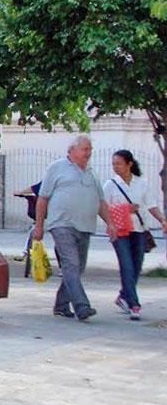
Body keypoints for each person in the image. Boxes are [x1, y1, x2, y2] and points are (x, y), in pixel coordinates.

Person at [33, 135, 117, 321]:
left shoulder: (91, 172)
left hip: (85, 226)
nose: (89, 153)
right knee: (71, 264)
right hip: (62, 224)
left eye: (90, 149)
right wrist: (39, 226)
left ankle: (61, 305)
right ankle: (82, 306)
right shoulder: (57, 168)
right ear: (72, 150)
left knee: (78, 268)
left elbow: (101, 201)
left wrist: (110, 223)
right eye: (85, 149)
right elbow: (43, 197)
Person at [103, 149, 167, 321]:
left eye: (119, 163)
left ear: (129, 164)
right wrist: (124, 210)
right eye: (113, 164)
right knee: (127, 266)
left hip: (138, 229)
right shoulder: (110, 185)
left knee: (137, 266)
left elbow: (151, 205)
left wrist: (162, 219)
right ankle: (134, 304)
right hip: (120, 231)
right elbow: (102, 207)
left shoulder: (142, 183)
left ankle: (123, 296)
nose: (115, 167)